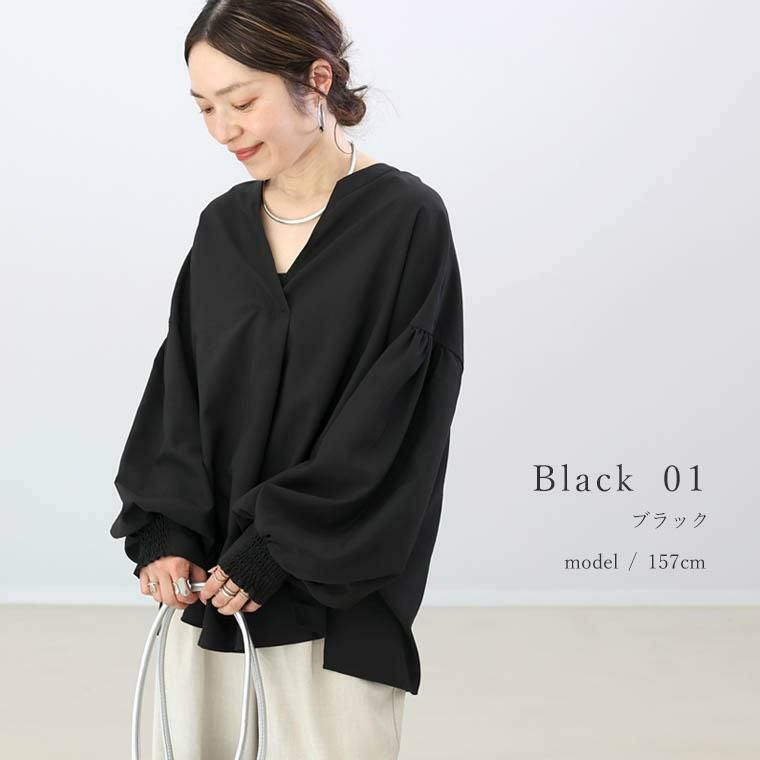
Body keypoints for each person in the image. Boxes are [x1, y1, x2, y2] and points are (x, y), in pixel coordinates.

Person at [109, 1, 464, 758]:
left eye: (242, 102)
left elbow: (398, 419)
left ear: (317, 80)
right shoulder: (222, 227)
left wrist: (276, 547)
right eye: (205, 108)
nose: (223, 130)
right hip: (210, 594)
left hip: (331, 599)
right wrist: (166, 533)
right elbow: (181, 388)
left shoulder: (406, 219)